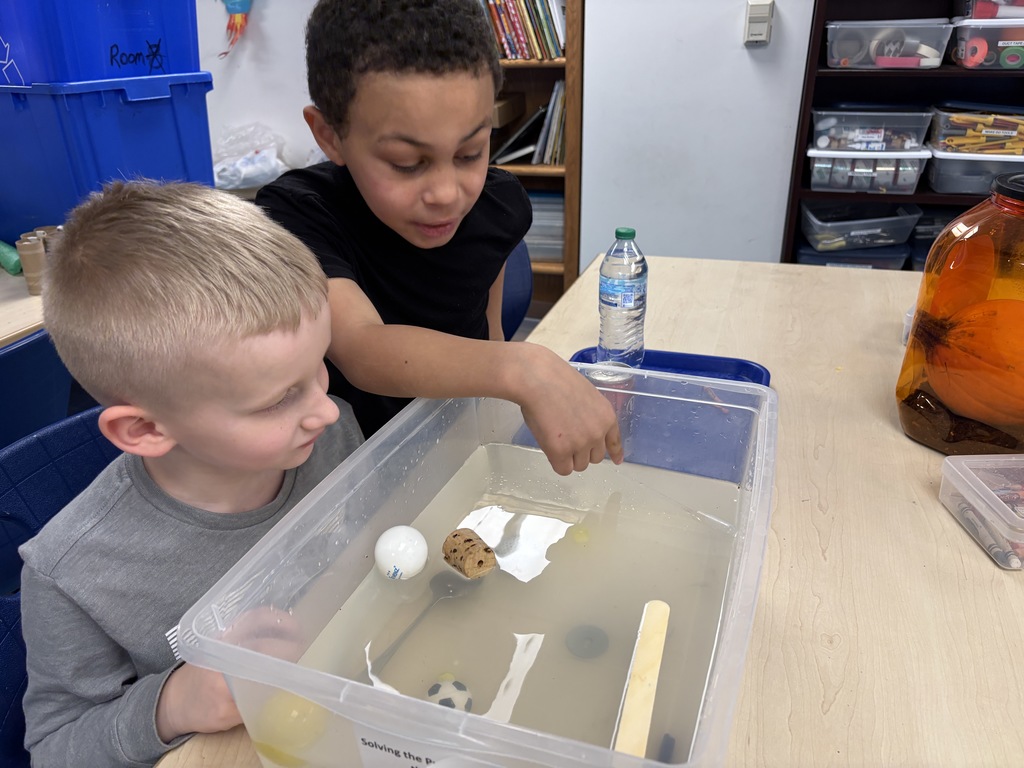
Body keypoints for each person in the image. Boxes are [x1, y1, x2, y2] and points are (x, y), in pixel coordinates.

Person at [18, 180, 364, 767]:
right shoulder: (70, 575)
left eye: (320, 368)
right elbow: (53, 747)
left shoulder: (324, 435)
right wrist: (171, 705)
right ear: (146, 431)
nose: (327, 408)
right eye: (279, 398)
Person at [256, 0, 623, 477]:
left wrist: (504, 393)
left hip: (456, 448)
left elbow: (488, 331)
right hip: (351, 468)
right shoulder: (299, 214)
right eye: (407, 164)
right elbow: (363, 348)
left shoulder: (499, 206)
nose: (448, 195)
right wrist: (521, 368)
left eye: (471, 152)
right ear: (329, 135)